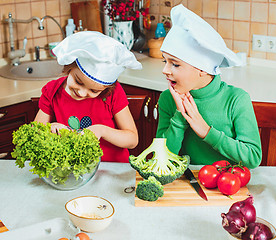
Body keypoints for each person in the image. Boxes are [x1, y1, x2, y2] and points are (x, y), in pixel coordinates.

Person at [156, 5, 262, 169]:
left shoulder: (236, 99)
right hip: (184, 186)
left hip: (226, 187)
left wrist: (206, 131)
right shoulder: (167, 99)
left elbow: (253, 158)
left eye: (175, 64)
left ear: (202, 69)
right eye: (165, 61)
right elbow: (160, 160)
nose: (165, 70)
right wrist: (180, 115)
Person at [34, 31, 142, 163]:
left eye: (94, 91)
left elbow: (132, 140)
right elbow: (35, 134)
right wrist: (50, 129)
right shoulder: (52, 91)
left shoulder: (112, 93)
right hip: (72, 171)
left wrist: (102, 131)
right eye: (78, 82)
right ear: (69, 67)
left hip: (113, 169)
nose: (82, 93)